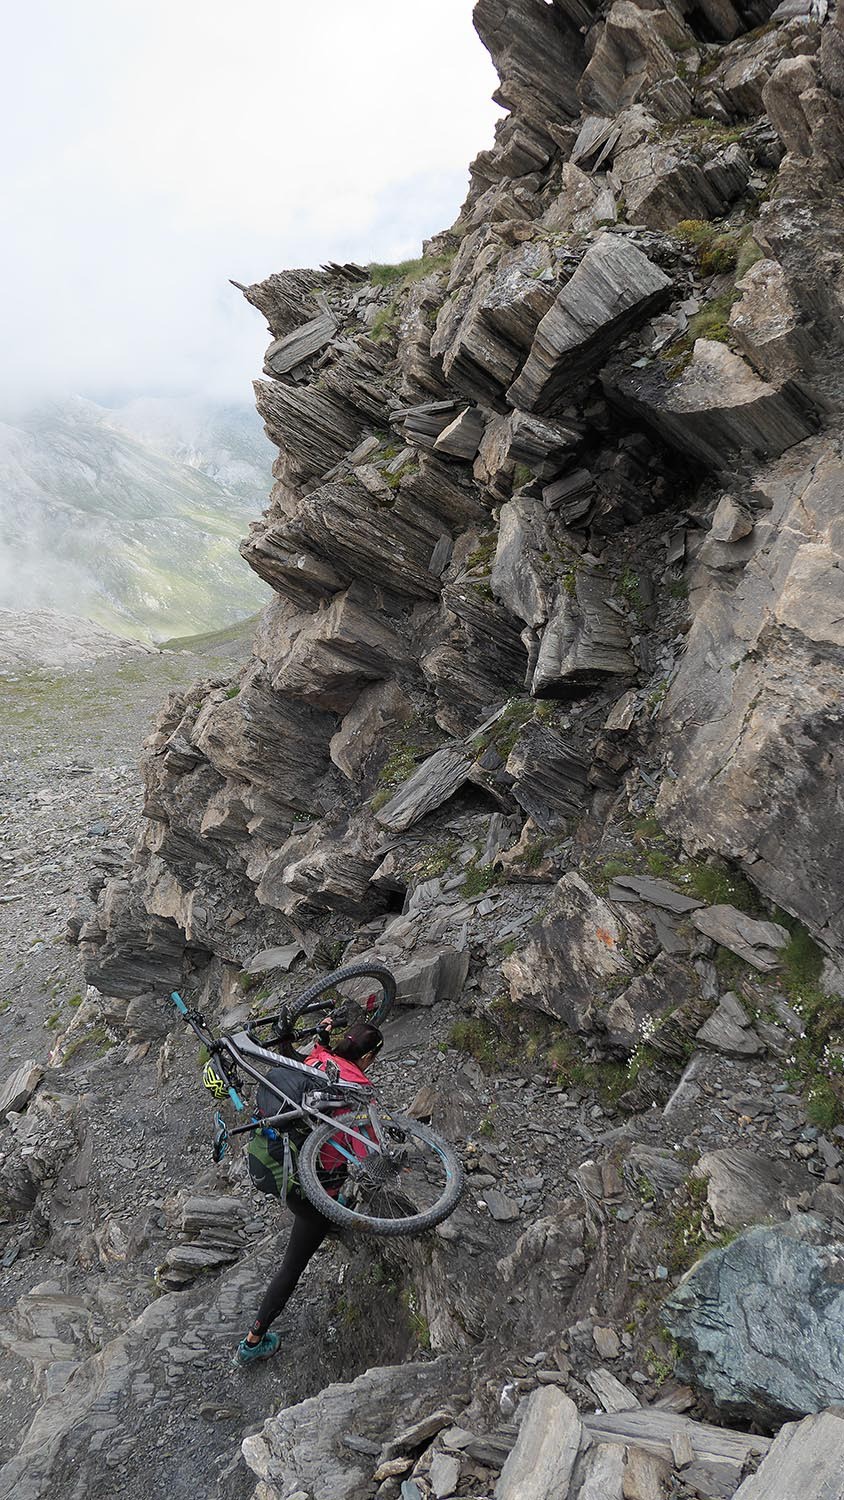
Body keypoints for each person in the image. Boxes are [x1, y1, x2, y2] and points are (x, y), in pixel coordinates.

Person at [233, 1020, 384, 1367]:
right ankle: (252, 1342)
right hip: (315, 1187)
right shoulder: (354, 1086)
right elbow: (366, 1152)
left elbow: (290, 1054)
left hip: (282, 1169)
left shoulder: (318, 1060)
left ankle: (332, 1217)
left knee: (311, 1213)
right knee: (292, 1265)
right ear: (368, 1056)